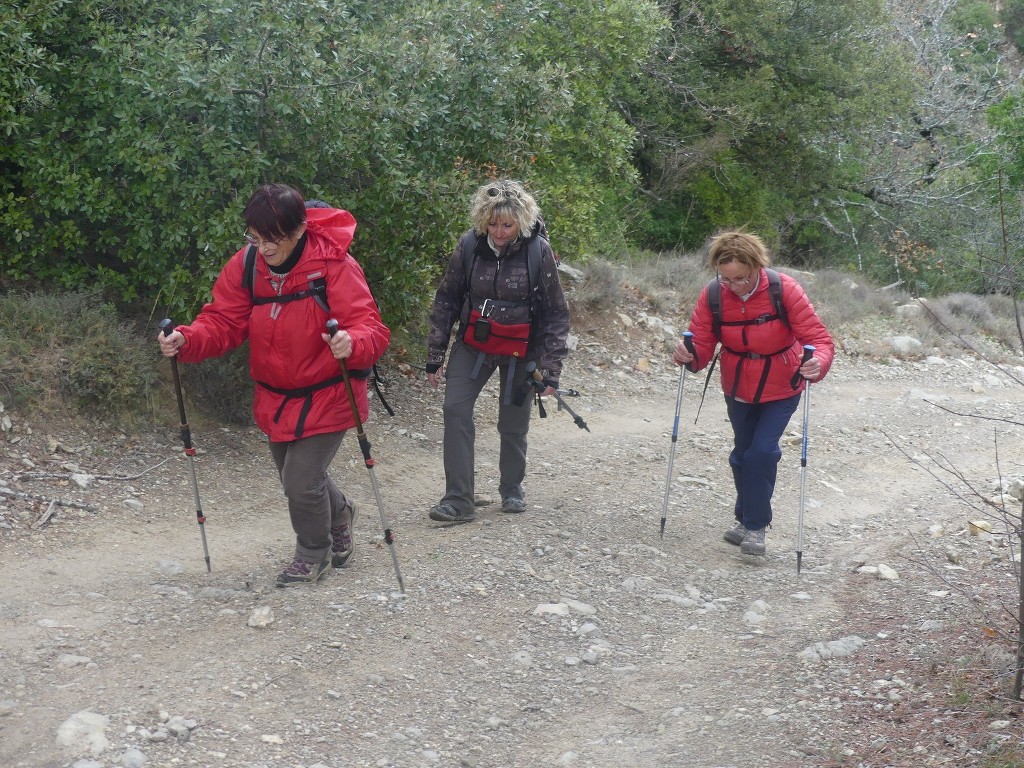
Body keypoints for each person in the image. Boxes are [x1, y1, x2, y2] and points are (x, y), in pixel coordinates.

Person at [158, 184, 390, 586]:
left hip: (330, 392)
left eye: (273, 239)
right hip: (275, 397)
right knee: (299, 478)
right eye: (255, 237)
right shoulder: (248, 265)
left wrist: (351, 343)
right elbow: (223, 321)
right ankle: (341, 513)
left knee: (300, 482)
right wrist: (187, 338)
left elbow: (371, 328)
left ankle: (312, 553)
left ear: (299, 230)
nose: (263, 248)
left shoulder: (333, 265)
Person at [672, 230, 834, 557]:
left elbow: (819, 339)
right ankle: (744, 519)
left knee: (762, 452)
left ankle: (756, 527)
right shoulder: (714, 295)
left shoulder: (784, 290)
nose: (735, 286)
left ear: (757, 267)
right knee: (741, 454)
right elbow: (702, 341)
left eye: (742, 279)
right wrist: (688, 353)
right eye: (726, 278)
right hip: (737, 384)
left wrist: (818, 362)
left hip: (782, 384)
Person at [425, 179, 570, 523]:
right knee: (455, 410)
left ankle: (511, 489)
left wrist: (551, 369)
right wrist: (435, 356)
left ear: (521, 221)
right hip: (475, 342)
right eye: (493, 224)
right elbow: (446, 299)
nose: (500, 232)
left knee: (513, 422)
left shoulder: (539, 252)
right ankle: (459, 500)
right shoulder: (469, 247)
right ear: (482, 220)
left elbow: (556, 312)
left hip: (523, 347)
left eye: (507, 225)